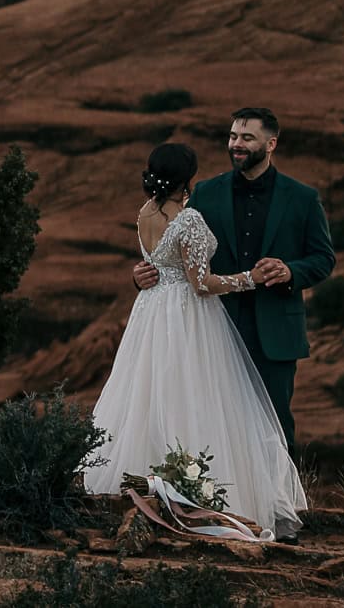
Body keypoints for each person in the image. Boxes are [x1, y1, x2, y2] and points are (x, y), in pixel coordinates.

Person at [82, 139, 309, 541]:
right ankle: (201, 497)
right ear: (189, 178)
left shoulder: (145, 213)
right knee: (199, 397)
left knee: (149, 396)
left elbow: (159, 266)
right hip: (188, 317)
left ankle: (147, 488)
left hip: (152, 314)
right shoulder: (187, 221)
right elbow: (202, 284)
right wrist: (250, 279)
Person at [134, 108, 335, 486]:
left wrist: (292, 271)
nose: (236, 145)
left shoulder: (303, 198)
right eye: (232, 137)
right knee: (214, 425)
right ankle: (229, 505)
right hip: (210, 330)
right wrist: (142, 275)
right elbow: (172, 249)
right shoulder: (205, 193)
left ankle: (279, 511)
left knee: (274, 423)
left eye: (246, 138)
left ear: (271, 144)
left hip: (275, 331)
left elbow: (324, 259)